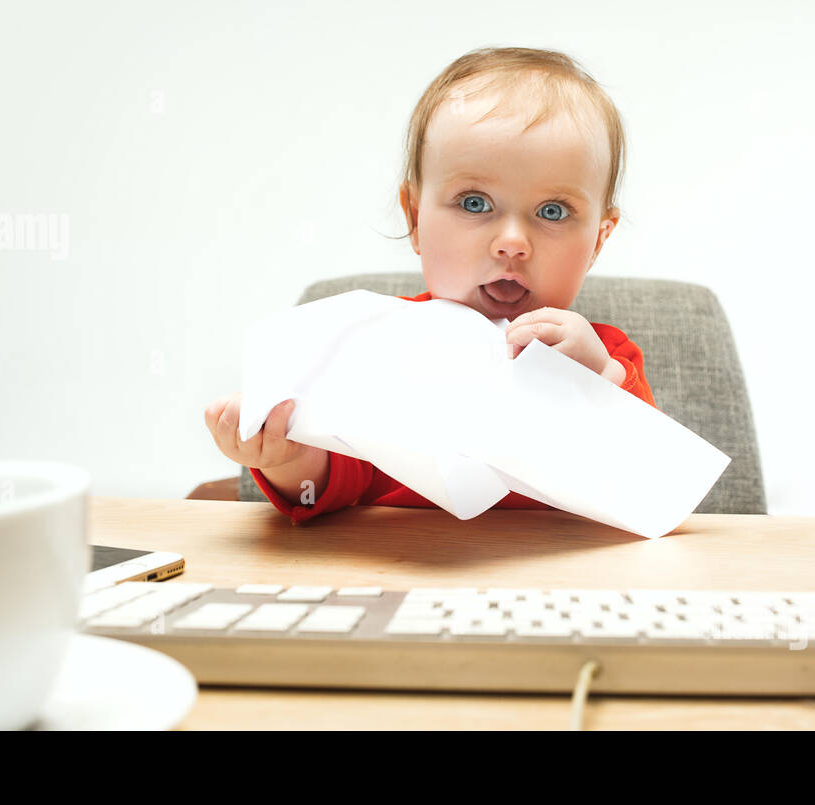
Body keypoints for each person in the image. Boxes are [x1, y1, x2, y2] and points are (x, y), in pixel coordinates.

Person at [205, 46, 656, 524]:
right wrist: (285, 457)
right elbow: (330, 483)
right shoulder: (378, 345)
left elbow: (650, 483)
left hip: (557, 585)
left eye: (553, 212)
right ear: (415, 219)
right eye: (475, 203)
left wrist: (598, 383)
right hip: (402, 579)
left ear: (598, 240)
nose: (512, 242)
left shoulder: (605, 354)